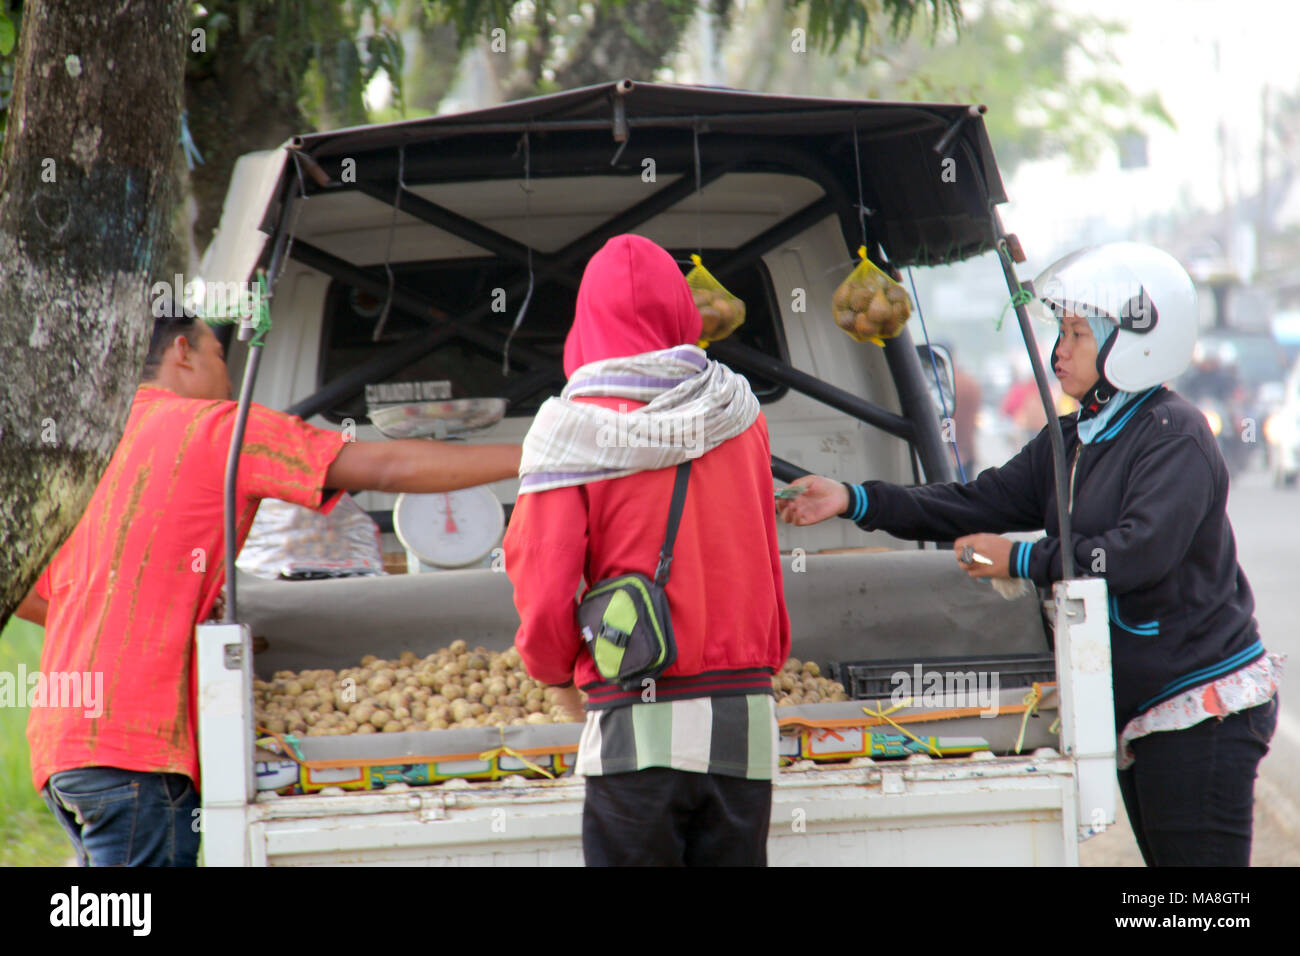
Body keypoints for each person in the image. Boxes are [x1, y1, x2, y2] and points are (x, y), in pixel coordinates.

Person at [777, 242, 1282, 867]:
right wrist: (854, 499)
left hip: (1198, 706)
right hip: (1140, 706)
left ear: (1134, 341)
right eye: (1061, 331)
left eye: (1077, 333)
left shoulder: (1173, 435)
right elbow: (970, 503)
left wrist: (1019, 561)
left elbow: (1133, 555)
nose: (1059, 350)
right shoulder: (1073, 439)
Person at [13, 310, 521, 866]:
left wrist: (181, 628)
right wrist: (534, 456)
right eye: (219, 360)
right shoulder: (218, 428)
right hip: (137, 752)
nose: (228, 383)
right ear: (182, 352)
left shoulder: (83, 448)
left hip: (63, 744)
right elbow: (387, 463)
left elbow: (33, 592)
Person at [504, 233, 790, 867]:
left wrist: (555, 672)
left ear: (588, 319)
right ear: (682, 313)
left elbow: (544, 580)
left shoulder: (566, 430)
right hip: (742, 724)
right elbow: (766, 557)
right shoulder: (740, 411)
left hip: (633, 721)